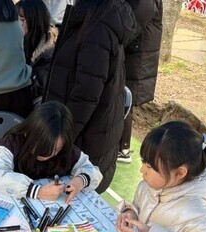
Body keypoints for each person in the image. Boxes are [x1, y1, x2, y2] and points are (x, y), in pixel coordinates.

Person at [44, 0, 137, 193]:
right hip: (87, 136)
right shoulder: (95, 15)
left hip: (85, 141)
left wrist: (61, 139)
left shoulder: (98, 26)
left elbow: (86, 95)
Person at [0, 101, 102, 202]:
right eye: (42, 148)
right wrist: (38, 191)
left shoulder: (67, 150)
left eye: (56, 150)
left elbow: (94, 172)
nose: (49, 155)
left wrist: (79, 182)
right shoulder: (12, 142)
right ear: (28, 132)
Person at [118, 0, 163, 163]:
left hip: (137, 57)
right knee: (122, 97)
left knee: (125, 99)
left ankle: (122, 148)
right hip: (134, 54)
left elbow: (131, 25)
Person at [16, 0, 58, 102]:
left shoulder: (48, 51)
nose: (17, 24)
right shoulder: (17, 42)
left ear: (34, 21)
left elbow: (37, 87)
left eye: (21, 19)